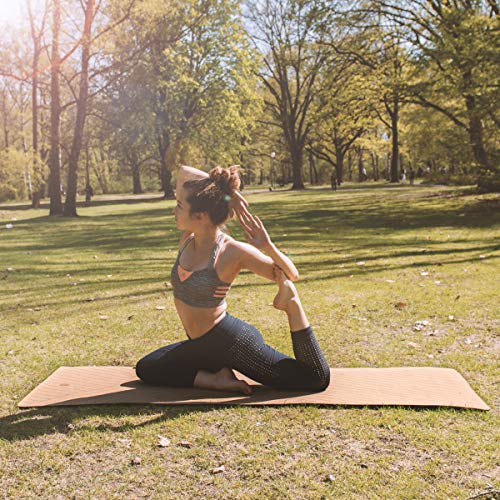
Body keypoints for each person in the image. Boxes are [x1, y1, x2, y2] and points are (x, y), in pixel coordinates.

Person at [135, 165, 330, 395]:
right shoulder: (188, 238)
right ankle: (217, 379)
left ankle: (293, 307)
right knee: (147, 367)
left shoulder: (231, 251)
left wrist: (267, 246)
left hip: (229, 342)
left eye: (179, 206)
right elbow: (183, 171)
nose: (174, 211)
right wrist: (226, 189)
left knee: (314, 378)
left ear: (200, 215)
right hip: (202, 345)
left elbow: (290, 274)